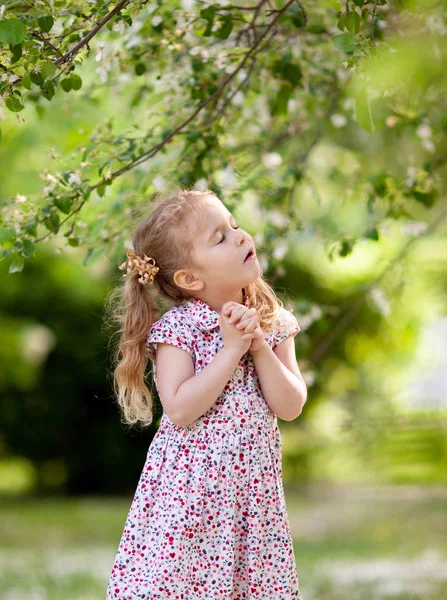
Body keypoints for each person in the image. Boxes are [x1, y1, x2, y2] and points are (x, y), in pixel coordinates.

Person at [104, 188, 306, 599]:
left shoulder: (272, 321)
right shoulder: (180, 330)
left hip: (253, 499)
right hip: (192, 498)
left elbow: (290, 406)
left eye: (234, 225)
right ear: (190, 278)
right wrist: (230, 350)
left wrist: (258, 344)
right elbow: (179, 409)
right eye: (221, 238)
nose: (241, 236)